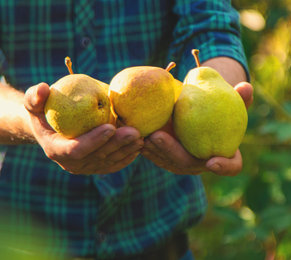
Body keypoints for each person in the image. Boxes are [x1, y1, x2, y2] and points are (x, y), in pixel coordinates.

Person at [0, 0, 253, 259]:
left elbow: (212, 24)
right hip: (23, 238)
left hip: (159, 239)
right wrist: (30, 120)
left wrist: (214, 102)